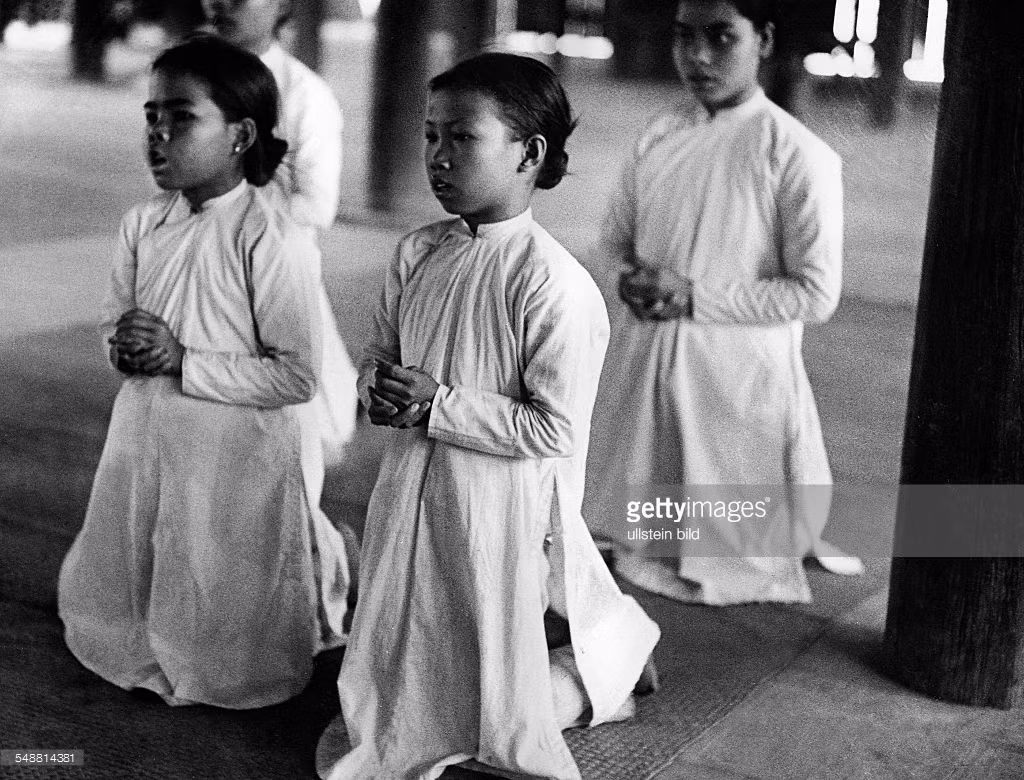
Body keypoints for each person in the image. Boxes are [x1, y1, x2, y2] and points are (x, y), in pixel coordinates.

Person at [315, 53, 661, 780]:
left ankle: (612, 663)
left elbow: (554, 429)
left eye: (462, 138)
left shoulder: (554, 284)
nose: (438, 158)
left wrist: (437, 404)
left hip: (497, 508)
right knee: (405, 639)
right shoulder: (418, 252)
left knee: (498, 695)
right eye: (431, 137)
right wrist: (380, 386)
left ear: (529, 154)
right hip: (411, 482)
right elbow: (382, 353)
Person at [57, 36, 349, 709]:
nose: (158, 136)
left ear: (242, 134)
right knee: (145, 545)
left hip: (232, 453)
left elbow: (296, 376)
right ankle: (143, 631)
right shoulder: (142, 224)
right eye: (151, 117)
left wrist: (185, 361)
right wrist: (124, 346)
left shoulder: (269, 236)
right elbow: (114, 319)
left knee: (217, 568)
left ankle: (244, 636)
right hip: (146, 431)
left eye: (182, 118)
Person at [583, 0, 864, 606]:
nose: (698, 57)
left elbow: (815, 293)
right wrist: (628, 278)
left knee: (726, 531)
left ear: (762, 39)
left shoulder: (795, 152)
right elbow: (611, 241)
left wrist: (692, 296)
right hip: (646, 349)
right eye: (685, 37)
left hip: (736, 369)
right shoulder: (659, 134)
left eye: (720, 37)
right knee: (628, 516)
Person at [202, 0, 358, 466]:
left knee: (279, 438)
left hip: (269, 273)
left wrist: (237, 203)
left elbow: (317, 205)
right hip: (201, 264)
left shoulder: (305, 93)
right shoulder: (192, 79)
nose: (223, 4)